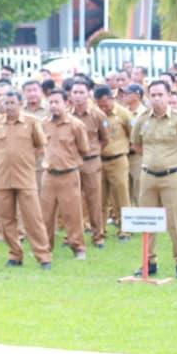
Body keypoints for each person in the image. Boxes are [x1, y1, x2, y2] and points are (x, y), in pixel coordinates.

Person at [132, 80, 177, 278]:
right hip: (148, 176)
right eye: (153, 95)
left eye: (160, 95)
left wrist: (174, 159)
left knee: (175, 221)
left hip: (172, 176)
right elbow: (136, 145)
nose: (157, 99)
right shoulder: (142, 119)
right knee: (147, 220)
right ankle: (149, 262)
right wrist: (152, 159)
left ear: (169, 96)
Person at [0, 90, 53, 268]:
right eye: (6, 103)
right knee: (6, 219)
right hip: (2, 177)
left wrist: (27, 160)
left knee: (33, 218)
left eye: (12, 103)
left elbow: (40, 146)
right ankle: (15, 255)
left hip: (25, 177)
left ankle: (43, 256)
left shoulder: (31, 122)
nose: (9, 106)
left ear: (20, 103)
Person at [41, 88, 89, 260]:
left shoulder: (76, 125)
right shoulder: (43, 124)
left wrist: (69, 161)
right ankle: (45, 248)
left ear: (66, 103)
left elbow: (84, 148)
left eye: (57, 102)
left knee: (72, 214)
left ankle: (78, 247)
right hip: (48, 174)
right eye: (51, 102)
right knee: (45, 214)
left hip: (69, 174)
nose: (53, 106)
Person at [68, 80, 110, 247]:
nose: (78, 96)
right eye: (75, 92)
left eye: (81, 92)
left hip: (91, 162)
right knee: (71, 200)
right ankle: (73, 236)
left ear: (88, 94)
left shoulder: (98, 115)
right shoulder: (66, 115)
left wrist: (94, 151)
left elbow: (105, 138)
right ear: (70, 95)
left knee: (94, 200)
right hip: (71, 163)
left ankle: (98, 235)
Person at [95, 86, 132, 237]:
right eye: (100, 105)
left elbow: (133, 134)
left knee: (122, 195)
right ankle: (100, 229)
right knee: (100, 197)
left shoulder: (123, 114)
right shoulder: (95, 114)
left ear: (112, 99)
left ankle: (125, 229)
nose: (103, 108)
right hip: (99, 160)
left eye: (105, 104)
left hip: (118, 160)